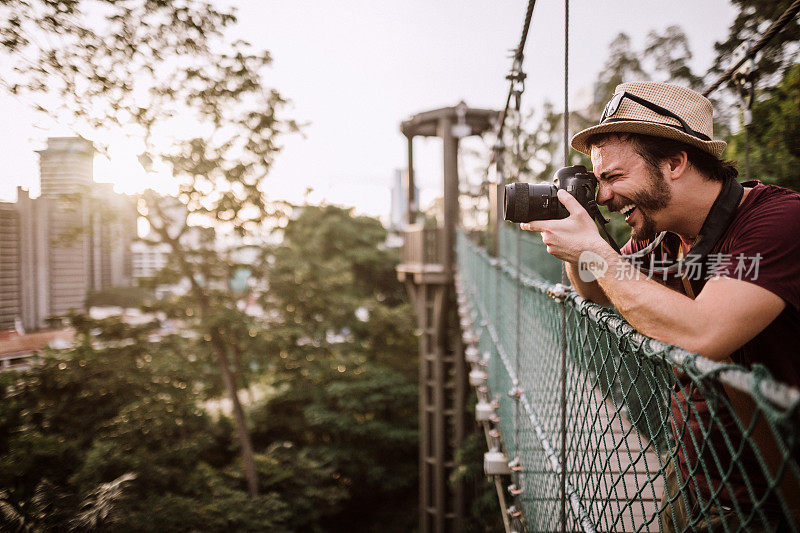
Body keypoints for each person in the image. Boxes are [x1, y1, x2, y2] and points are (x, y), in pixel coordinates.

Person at [520, 81, 800, 531]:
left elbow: (703, 334)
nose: (605, 196)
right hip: (690, 477)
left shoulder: (777, 222)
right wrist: (580, 235)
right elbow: (598, 289)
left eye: (612, 178)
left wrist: (599, 252)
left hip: (771, 497)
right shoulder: (661, 231)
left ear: (674, 163)